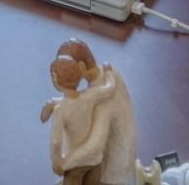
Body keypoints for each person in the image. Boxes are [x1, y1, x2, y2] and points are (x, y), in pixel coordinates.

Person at [40, 39, 140, 185]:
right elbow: (78, 100)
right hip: (93, 160)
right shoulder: (102, 82)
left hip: (109, 174)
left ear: (81, 67)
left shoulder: (103, 100)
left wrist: (64, 163)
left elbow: (95, 145)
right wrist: (54, 102)